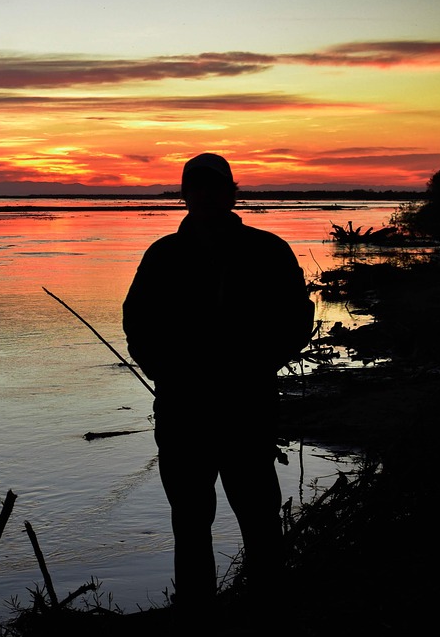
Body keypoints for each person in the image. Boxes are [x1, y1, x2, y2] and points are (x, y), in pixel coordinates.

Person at [122, 152, 313, 608]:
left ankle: (270, 614)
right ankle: (196, 620)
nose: (206, 195)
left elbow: (296, 319)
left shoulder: (268, 250)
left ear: (232, 192)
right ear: (185, 194)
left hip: (247, 409)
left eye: (215, 187)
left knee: (260, 520)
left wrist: (257, 365)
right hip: (182, 412)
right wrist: (166, 373)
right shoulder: (162, 255)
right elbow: (137, 323)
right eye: (197, 187)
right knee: (189, 523)